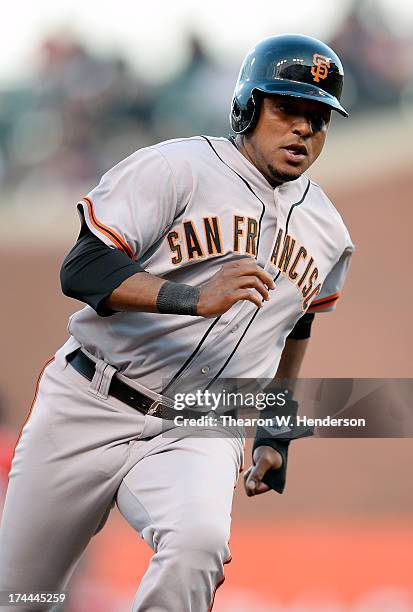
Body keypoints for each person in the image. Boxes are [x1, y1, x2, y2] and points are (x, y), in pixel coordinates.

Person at [0, 34, 354, 611]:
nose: (302, 130)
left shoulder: (329, 233)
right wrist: (191, 298)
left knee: (199, 545)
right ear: (247, 107)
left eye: (319, 118)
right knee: (22, 597)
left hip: (199, 423)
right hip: (90, 401)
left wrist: (273, 430)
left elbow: (296, 329)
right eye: (287, 108)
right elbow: (83, 269)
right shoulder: (177, 167)